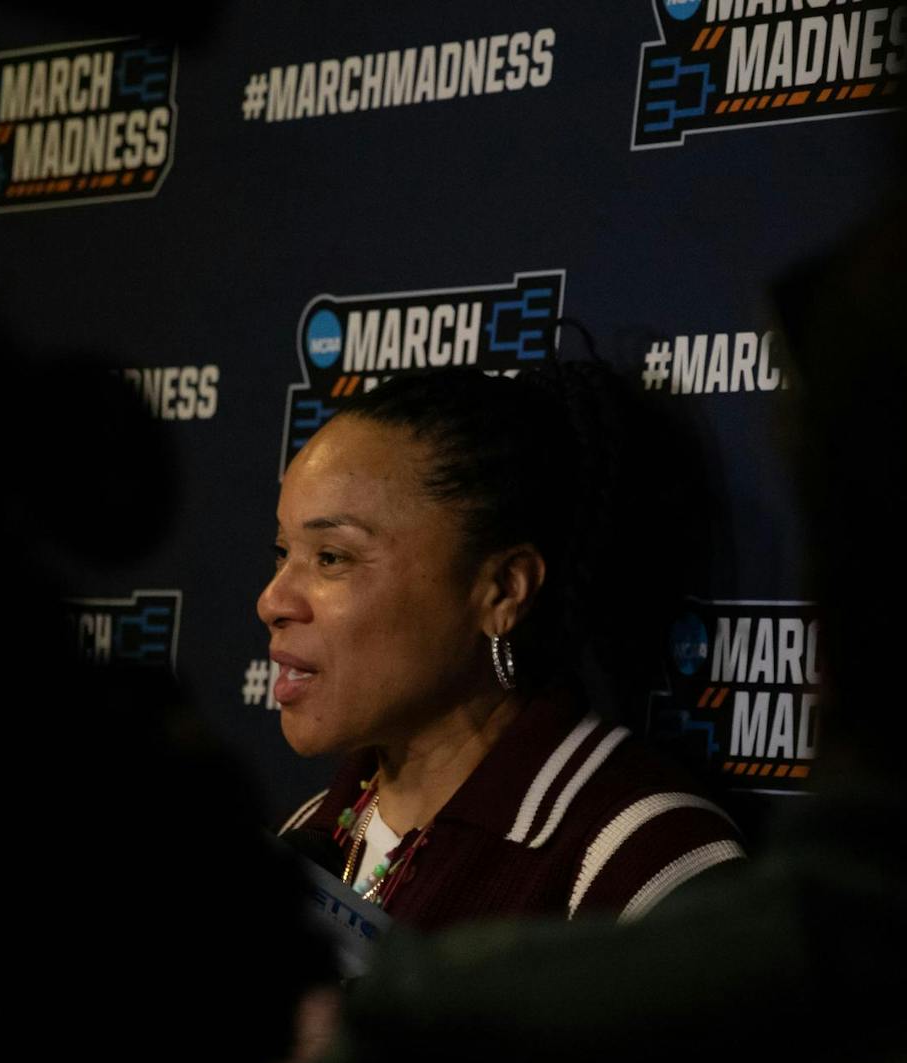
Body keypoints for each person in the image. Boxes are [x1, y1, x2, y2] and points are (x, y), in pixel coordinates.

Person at [258, 362, 743, 929]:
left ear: (502, 590)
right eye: (282, 552)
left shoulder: (644, 858)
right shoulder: (309, 831)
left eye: (331, 558)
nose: (273, 601)